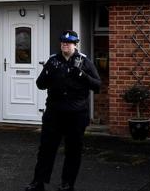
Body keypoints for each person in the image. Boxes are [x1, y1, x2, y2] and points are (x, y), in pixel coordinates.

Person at [25, 30, 101, 191]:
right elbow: (40, 84)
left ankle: (67, 184)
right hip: (54, 113)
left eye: (69, 42)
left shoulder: (84, 61)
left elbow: (97, 85)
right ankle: (38, 182)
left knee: (73, 150)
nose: (65, 44)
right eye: (63, 42)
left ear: (75, 44)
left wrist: (82, 75)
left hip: (76, 114)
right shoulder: (53, 61)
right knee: (46, 149)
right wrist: (47, 72)